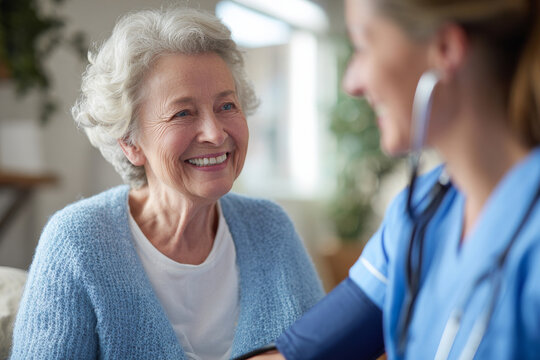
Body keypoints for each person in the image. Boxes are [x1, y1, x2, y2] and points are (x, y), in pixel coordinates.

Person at [10, 7, 324, 360]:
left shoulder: (271, 229)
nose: (215, 133)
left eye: (226, 106)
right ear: (130, 142)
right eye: (183, 113)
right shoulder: (76, 243)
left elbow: (327, 348)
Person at [244, 0, 540, 359]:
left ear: (444, 49)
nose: (350, 83)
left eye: (362, 47)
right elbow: (305, 354)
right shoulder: (420, 212)